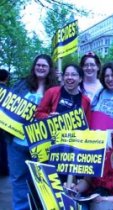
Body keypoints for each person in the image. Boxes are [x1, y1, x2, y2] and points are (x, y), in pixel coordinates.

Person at [6, 54, 57, 210]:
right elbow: (7, 107)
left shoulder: (55, 89)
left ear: (49, 70)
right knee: (18, 180)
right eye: (38, 65)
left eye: (44, 66)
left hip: (41, 145)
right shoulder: (21, 84)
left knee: (42, 181)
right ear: (34, 66)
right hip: (17, 143)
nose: (40, 68)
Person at [0, 69, 9, 176]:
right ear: (6, 78)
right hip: (4, 124)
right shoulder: (9, 91)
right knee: (3, 147)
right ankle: (3, 169)